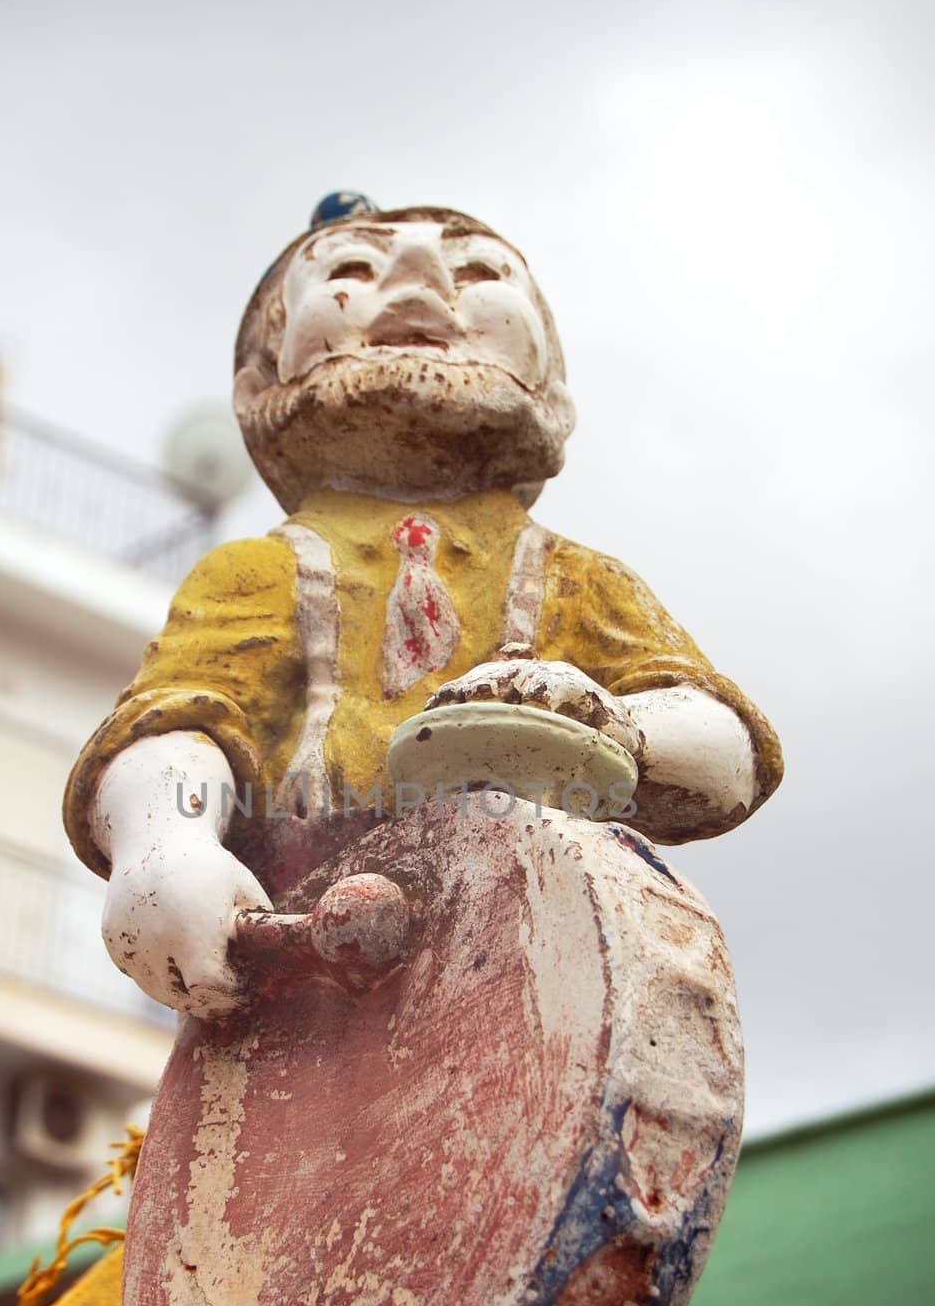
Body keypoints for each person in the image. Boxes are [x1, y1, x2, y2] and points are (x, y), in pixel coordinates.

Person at [63, 195, 782, 1023]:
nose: (415, 284)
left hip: (525, 968)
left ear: (551, 387)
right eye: (352, 270)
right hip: (304, 976)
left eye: (478, 273)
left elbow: (725, 750)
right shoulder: (257, 571)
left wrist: (614, 727)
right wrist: (163, 842)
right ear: (260, 383)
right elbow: (178, 721)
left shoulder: (577, 579)